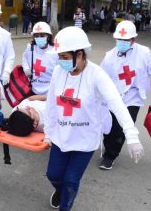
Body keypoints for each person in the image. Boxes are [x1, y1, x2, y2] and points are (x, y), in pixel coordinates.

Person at [44, 26, 144, 210]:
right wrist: (48, 132)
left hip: (84, 139)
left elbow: (117, 104)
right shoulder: (59, 72)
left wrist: (131, 135)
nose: (60, 62)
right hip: (61, 136)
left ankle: (66, 205)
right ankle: (60, 191)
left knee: (71, 180)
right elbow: (51, 104)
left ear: (80, 54)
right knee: (53, 175)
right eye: (59, 57)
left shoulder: (97, 75)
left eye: (65, 57)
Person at [99, 20, 151, 170]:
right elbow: (99, 77)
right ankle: (108, 147)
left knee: (122, 127)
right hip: (113, 97)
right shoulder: (110, 56)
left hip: (134, 97)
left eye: (125, 40)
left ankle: (110, 156)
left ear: (133, 40)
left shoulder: (144, 53)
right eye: (119, 39)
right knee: (109, 127)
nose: (122, 42)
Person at [21, 22, 58, 96]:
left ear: (48, 36)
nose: (39, 38)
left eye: (42, 35)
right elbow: (24, 58)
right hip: (34, 90)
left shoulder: (55, 51)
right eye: (36, 36)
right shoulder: (30, 48)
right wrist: (26, 68)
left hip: (50, 92)